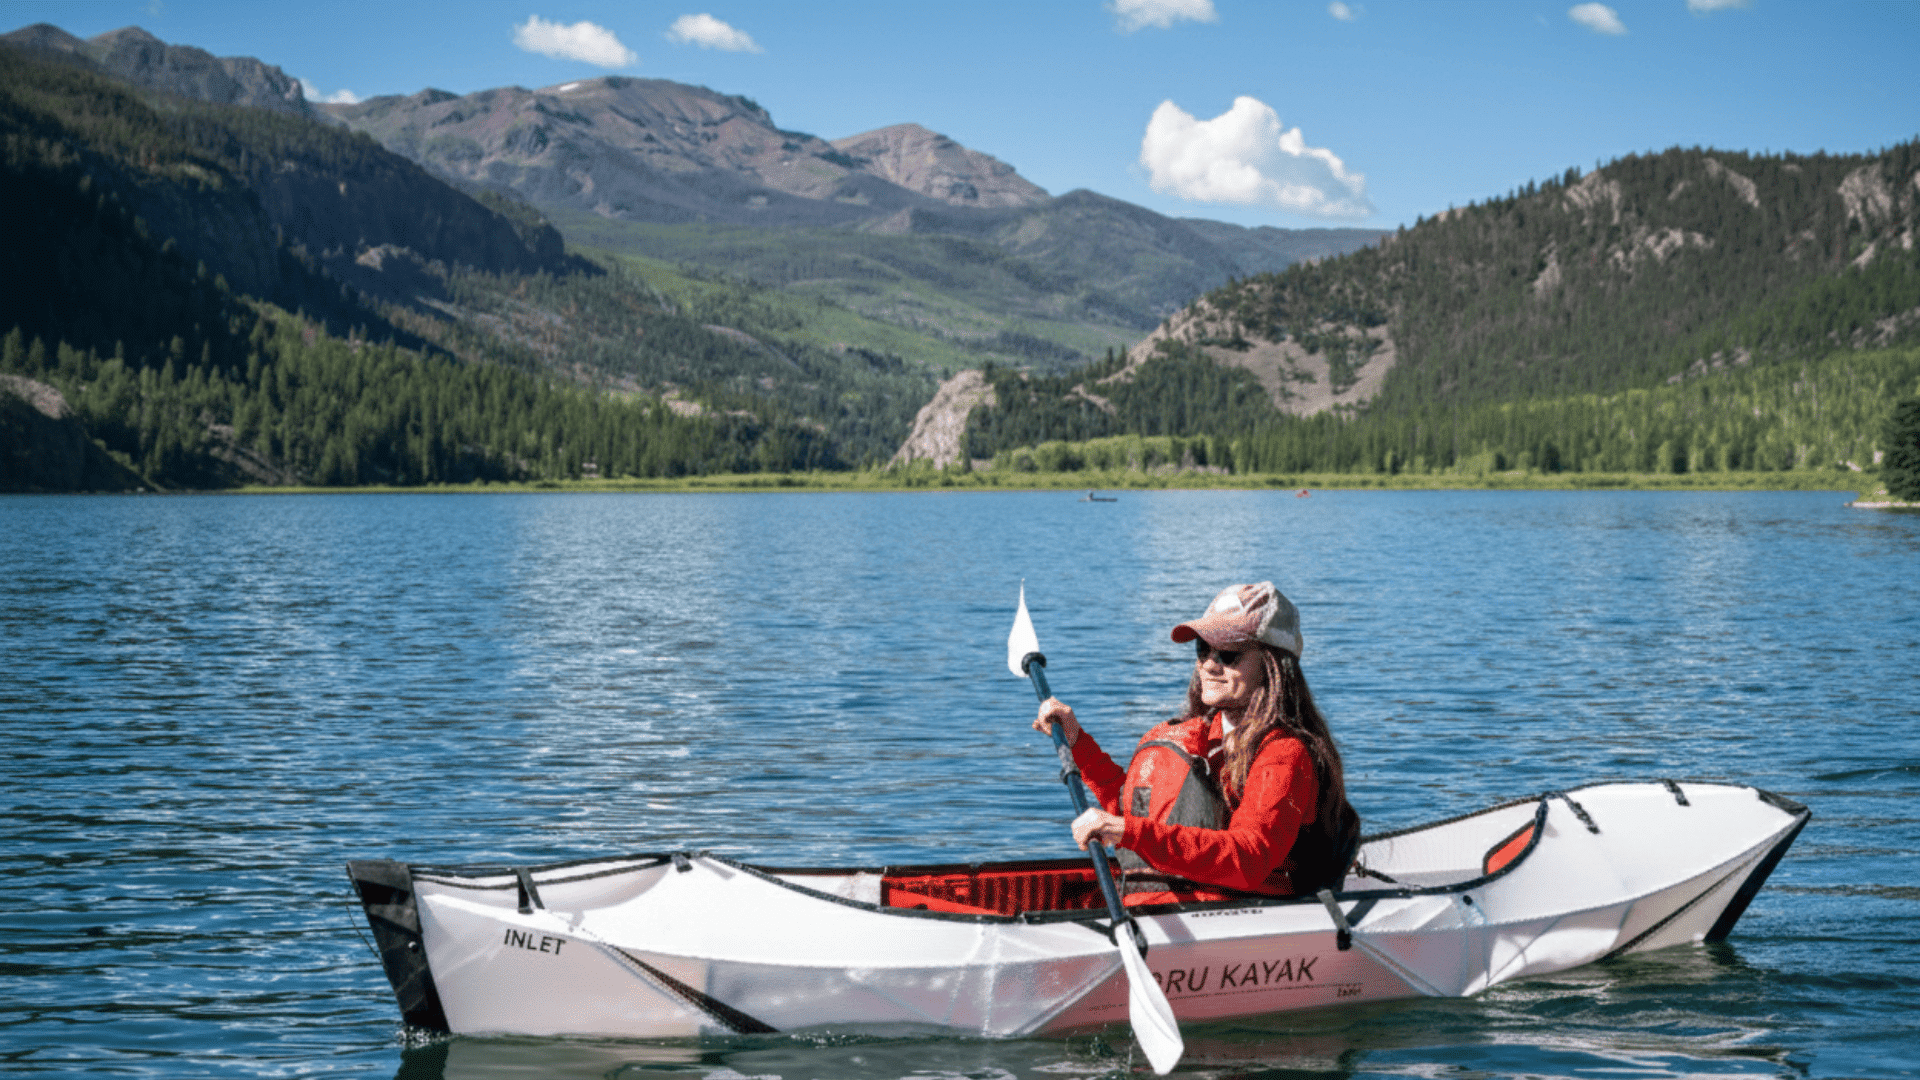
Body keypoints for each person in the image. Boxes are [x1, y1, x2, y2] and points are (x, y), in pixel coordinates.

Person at [1033, 582, 1360, 906]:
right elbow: (1138, 816)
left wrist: (1127, 830)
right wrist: (1077, 743)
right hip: (1166, 905)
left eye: (1229, 654)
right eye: (1202, 650)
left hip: (1245, 913)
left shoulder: (1285, 754)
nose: (1209, 664)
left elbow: (1248, 860)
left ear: (1274, 666)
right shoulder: (1202, 736)